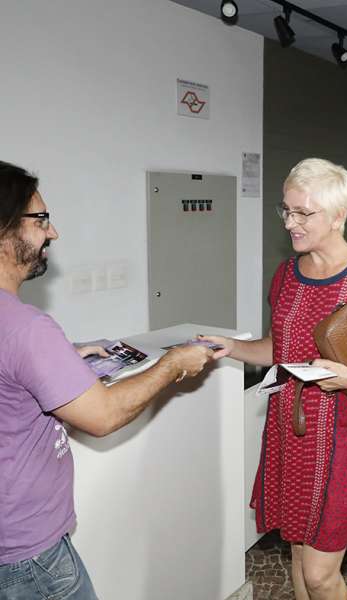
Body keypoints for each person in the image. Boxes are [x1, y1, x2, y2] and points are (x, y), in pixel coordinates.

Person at [202, 158, 347, 600]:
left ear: (338, 216)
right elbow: (279, 349)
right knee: (299, 556)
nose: (290, 223)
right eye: (286, 210)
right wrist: (234, 347)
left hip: (343, 439)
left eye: (304, 213)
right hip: (289, 430)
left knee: (321, 574)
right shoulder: (286, 275)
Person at [0, 161, 214, 598]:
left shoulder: (22, 335)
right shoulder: (26, 329)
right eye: (40, 219)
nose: (52, 232)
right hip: (29, 555)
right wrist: (173, 364)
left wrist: (62, 357)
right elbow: (103, 415)